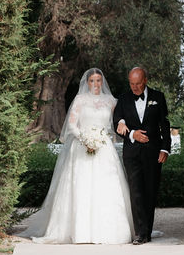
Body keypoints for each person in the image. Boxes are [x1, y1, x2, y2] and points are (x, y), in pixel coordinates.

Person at [27, 68, 134, 244]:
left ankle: (109, 231)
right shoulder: (80, 100)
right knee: (82, 186)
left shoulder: (110, 101)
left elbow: (119, 118)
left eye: (98, 80)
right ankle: (80, 231)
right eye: (92, 81)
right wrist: (85, 138)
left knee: (106, 187)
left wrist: (116, 126)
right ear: (87, 83)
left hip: (104, 147)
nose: (96, 84)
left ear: (102, 82)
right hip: (82, 146)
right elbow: (71, 125)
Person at [113, 66, 170, 244]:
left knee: (150, 192)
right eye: (132, 84)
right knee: (136, 192)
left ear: (145, 80)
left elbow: (165, 125)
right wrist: (132, 134)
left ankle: (148, 231)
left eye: (138, 83)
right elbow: (117, 123)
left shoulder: (158, 97)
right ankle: (140, 234)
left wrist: (165, 148)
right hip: (131, 153)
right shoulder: (122, 99)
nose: (135, 87)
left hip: (154, 152)